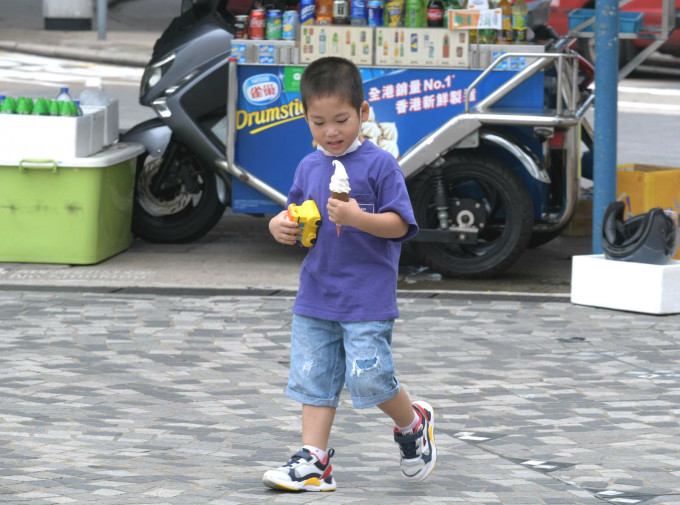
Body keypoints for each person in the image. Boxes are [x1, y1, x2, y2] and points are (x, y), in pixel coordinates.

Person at [264, 56, 436, 492]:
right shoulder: (309, 167)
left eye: (341, 119)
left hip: (367, 297)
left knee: (371, 379)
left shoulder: (380, 166)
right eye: (318, 122)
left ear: (363, 112)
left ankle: (412, 423)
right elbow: (299, 217)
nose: (331, 132)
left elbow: (401, 225)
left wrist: (359, 218)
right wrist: (279, 227)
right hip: (317, 293)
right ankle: (314, 461)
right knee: (313, 379)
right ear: (306, 120)